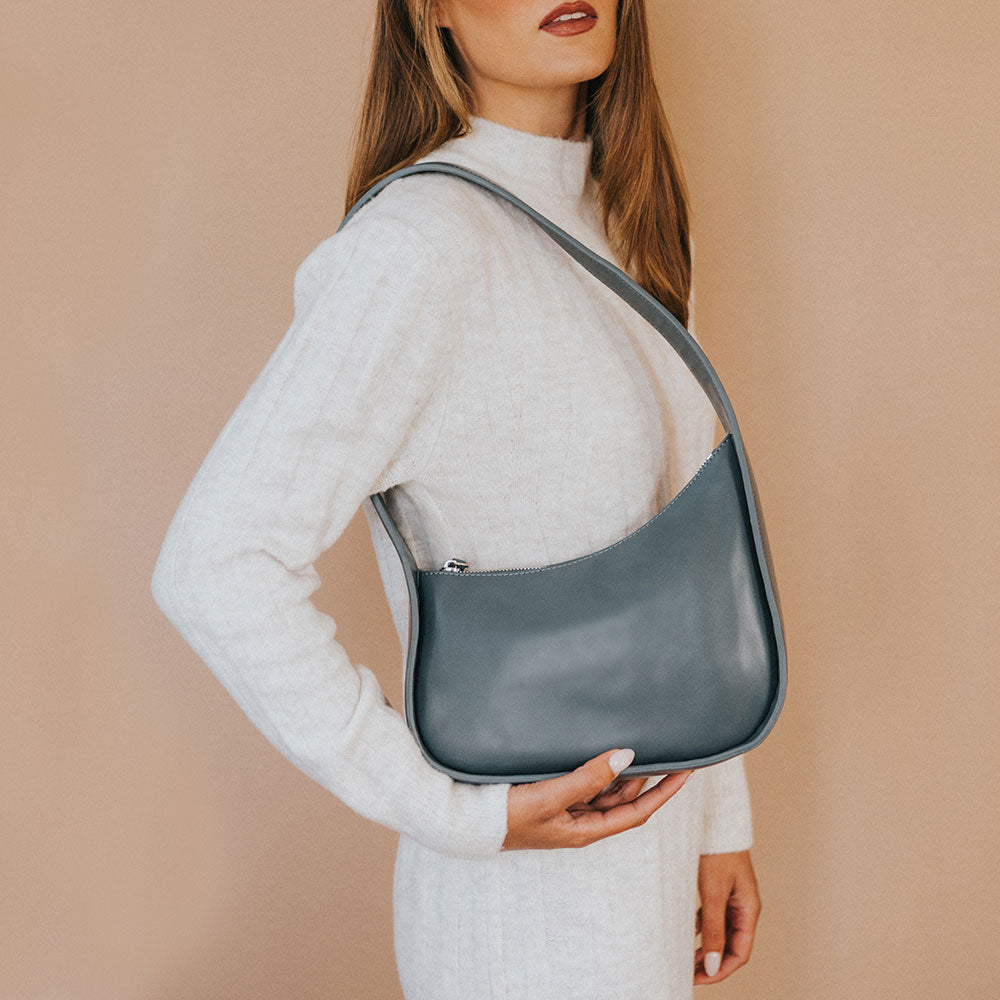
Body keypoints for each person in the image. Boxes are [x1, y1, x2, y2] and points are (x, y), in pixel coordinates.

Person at [151, 1, 763, 997]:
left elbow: (685, 560)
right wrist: (446, 807)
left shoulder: (629, 222)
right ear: (427, 6)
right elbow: (216, 564)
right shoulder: (419, 247)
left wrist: (720, 820)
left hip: (650, 872)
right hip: (520, 919)